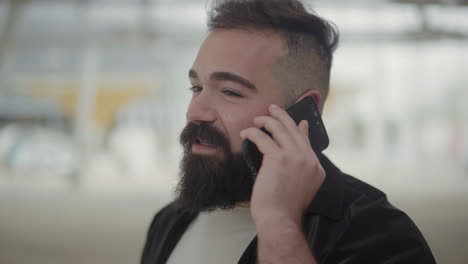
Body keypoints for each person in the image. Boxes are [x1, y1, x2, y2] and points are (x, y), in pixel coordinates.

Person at [141, 0, 436, 263]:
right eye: (196, 87)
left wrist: (278, 222)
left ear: (303, 111)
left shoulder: (380, 235)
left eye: (230, 91)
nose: (195, 112)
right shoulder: (169, 220)